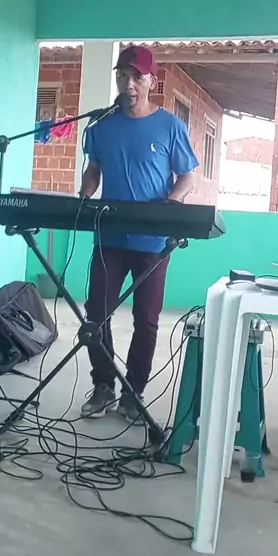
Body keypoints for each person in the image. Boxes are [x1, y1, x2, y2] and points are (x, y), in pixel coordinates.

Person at [79, 45, 199, 422]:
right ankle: (103, 386)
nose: (128, 84)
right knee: (95, 314)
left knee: (145, 319)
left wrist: (172, 203)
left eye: (136, 77)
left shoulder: (170, 126)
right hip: (110, 238)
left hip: (152, 241)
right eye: (122, 76)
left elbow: (187, 177)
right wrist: (85, 192)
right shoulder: (102, 126)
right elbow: (94, 168)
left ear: (151, 81)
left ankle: (133, 392)